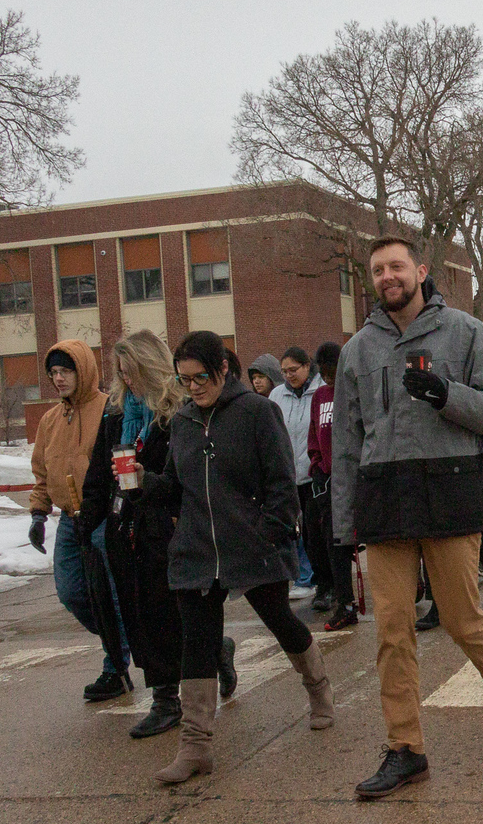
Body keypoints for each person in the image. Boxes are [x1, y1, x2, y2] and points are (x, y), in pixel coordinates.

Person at [333, 236, 483, 799]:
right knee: (392, 631)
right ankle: (406, 748)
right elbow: (347, 442)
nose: (387, 276)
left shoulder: (464, 332)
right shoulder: (358, 350)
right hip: (384, 500)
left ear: (421, 270)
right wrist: (344, 526)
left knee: (462, 617)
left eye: (397, 266)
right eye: (377, 270)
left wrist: (446, 393)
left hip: (449, 492)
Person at [138, 331, 333, 784]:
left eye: (200, 377)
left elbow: (283, 483)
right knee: (198, 641)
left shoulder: (257, 413)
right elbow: (175, 486)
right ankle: (196, 746)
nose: (193, 387)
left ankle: (319, 689)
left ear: (223, 370)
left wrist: (271, 532)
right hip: (197, 549)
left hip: (252, 544)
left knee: (279, 619)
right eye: (184, 380)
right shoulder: (183, 423)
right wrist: (145, 483)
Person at [79, 330, 238, 738]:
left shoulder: (180, 412)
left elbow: (192, 474)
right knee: (140, 614)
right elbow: (99, 473)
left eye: (133, 372)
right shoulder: (117, 416)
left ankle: (172, 697)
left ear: (150, 367)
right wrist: (88, 519)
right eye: (121, 374)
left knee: (168, 614)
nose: (127, 382)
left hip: (167, 528)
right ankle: (181, 680)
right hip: (124, 529)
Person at [29, 339, 131, 701]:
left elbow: (121, 466)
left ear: (83, 370)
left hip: (104, 516)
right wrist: (39, 513)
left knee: (114, 597)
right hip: (69, 521)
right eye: (53, 372)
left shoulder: (110, 410)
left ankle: (115, 669)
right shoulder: (50, 420)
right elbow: (42, 472)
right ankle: (123, 643)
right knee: (72, 593)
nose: (58, 378)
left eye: (66, 370)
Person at [306, 341, 358, 631]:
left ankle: (414, 582)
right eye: (324, 374)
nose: (329, 379)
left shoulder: (354, 390)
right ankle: (344, 601)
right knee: (333, 542)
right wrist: (318, 466)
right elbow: (314, 435)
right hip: (327, 479)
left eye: (333, 372)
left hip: (358, 476)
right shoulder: (320, 396)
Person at [274, 346, 325, 601]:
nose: (288, 376)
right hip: (287, 475)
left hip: (314, 473)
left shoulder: (321, 390)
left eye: (293, 370)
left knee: (315, 532)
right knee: (293, 532)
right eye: (284, 371)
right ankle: (302, 577)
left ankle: (321, 581)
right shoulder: (277, 395)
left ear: (307, 366)